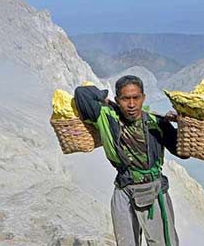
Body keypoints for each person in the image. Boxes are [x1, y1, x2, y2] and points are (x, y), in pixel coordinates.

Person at [74, 75, 187, 246]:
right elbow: (82, 94)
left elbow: (183, 152)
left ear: (143, 98)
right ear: (117, 99)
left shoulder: (156, 122)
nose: (132, 104)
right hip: (124, 189)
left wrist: (182, 124)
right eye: (125, 99)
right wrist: (104, 98)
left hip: (153, 190)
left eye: (136, 98)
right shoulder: (106, 116)